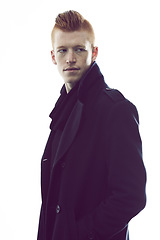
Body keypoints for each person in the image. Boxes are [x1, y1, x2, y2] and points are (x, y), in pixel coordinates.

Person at [37, 10, 146, 240]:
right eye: (62, 50)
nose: (70, 58)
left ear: (94, 52)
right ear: (52, 56)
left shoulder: (115, 109)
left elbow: (131, 195)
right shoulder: (61, 114)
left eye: (79, 49)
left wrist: (79, 233)